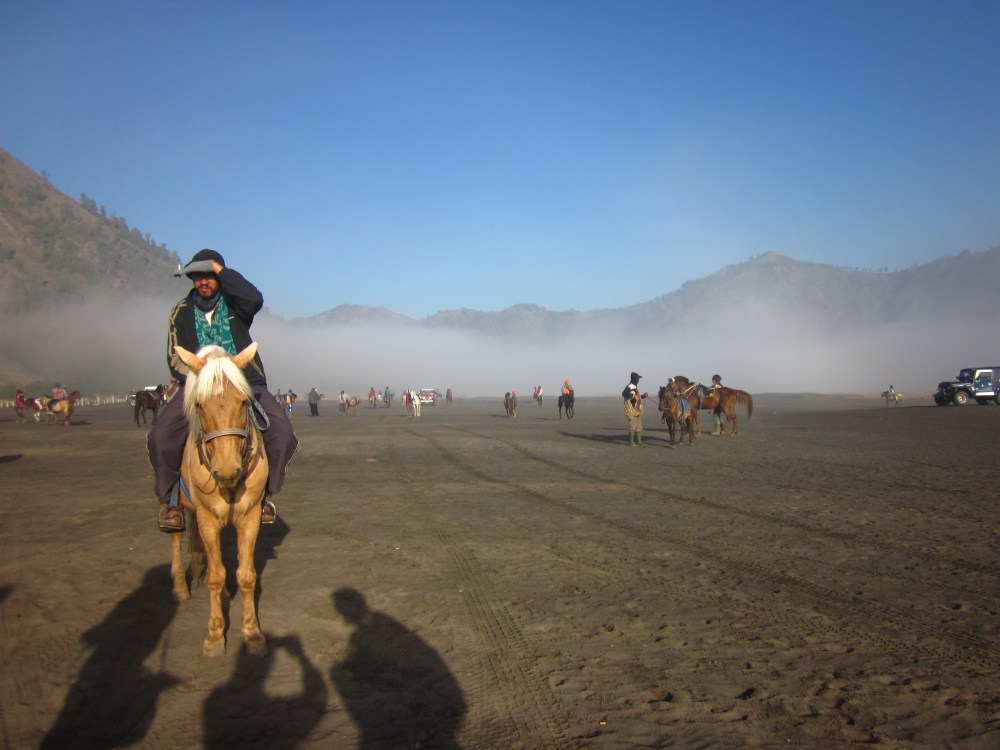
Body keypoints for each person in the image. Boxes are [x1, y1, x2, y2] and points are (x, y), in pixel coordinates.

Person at [147, 249, 298, 532]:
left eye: (209, 275)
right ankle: (172, 503)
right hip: (198, 386)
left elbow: (255, 298)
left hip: (245, 382)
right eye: (197, 276)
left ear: (219, 276)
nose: (203, 281)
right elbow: (174, 357)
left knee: (283, 433)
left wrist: (221, 269)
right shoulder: (180, 312)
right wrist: (201, 376)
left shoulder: (236, 306)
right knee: (160, 437)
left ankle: (265, 495)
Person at [622, 371, 648, 447]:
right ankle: (631, 442)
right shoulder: (629, 386)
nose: (638, 380)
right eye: (638, 379)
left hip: (637, 410)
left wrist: (643, 396)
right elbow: (624, 394)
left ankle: (639, 442)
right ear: (635, 379)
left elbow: (638, 398)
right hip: (631, 411)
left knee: (639, 426)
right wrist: (633, 396)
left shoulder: (635, 387)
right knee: (632, 426)